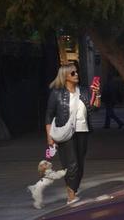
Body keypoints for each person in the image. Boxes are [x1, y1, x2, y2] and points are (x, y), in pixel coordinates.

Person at [40, 63, 100, 205]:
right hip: (66, 133)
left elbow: (95, 108)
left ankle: (73, 189)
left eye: (76, 72)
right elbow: (49, 115)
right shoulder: (57, 93)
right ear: (65, 76)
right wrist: (50, 138)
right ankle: (71, 197)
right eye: (73, 73)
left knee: (79, 164)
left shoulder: (84, 91)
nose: (76, 74)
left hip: (83, 131)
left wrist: (97, 93)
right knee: (72, 165)